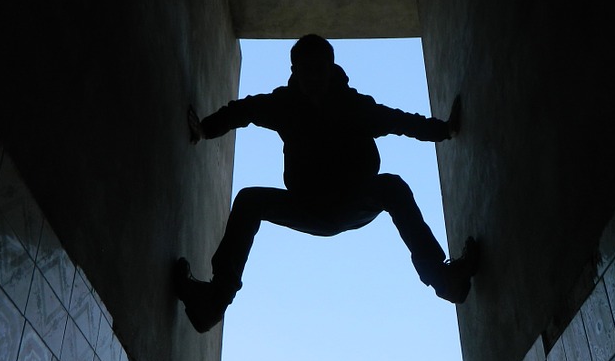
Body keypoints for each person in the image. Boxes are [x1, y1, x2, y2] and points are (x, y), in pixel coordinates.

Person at [174, 34, 478, 333]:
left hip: (353, 201)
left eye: (319, 70)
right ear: (295, 71)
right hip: (308, 205)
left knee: (392, 187)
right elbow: (244, 111)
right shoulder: (284, 104)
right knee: (248, 201)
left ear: (330, 69)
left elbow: (399, 121)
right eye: (306, 71)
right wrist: (204, 129)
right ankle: (214, 301)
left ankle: (443, 278)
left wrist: (444, 130)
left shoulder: (354, 106)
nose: (313, 79)